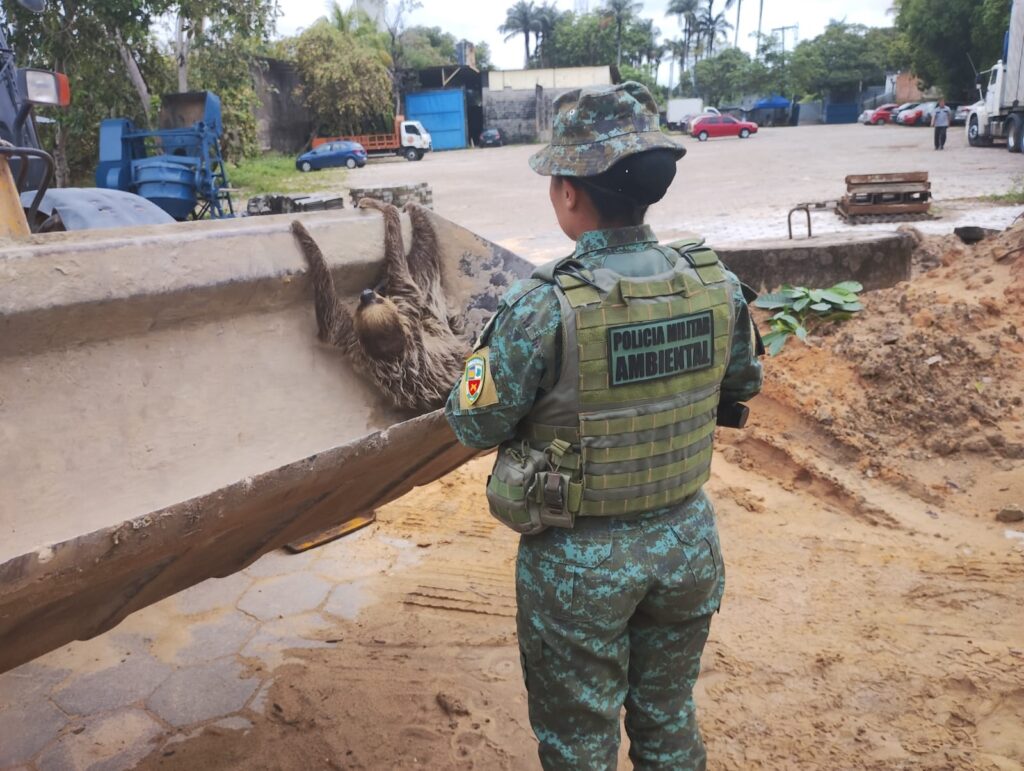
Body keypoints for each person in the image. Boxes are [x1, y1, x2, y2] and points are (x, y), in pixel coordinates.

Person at [444, 82, 763, 770]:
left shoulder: (542, 305)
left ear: (567, 192)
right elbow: (743, 385)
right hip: (685, 544)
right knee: (667, 718)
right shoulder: (716, 284)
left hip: (578, 568)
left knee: (578, 744)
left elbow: (473, 422)